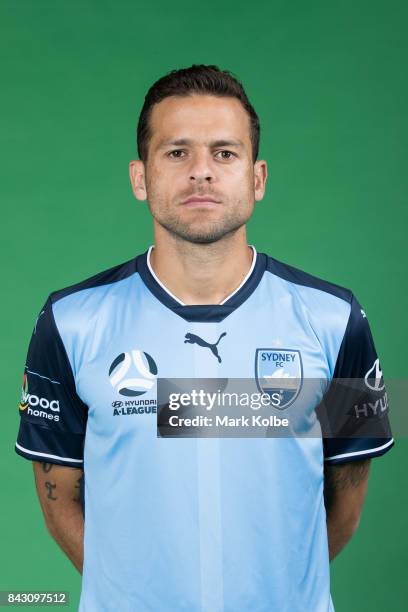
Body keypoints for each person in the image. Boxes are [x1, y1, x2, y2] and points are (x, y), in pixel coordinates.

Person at [15, 64, 393, 612]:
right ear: (139, 177)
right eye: (176, 153)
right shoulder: (69, 321)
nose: (201, 173)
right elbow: (59, 504)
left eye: (224, 153)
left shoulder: (339, 318)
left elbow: (348, 501)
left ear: (257, 178)